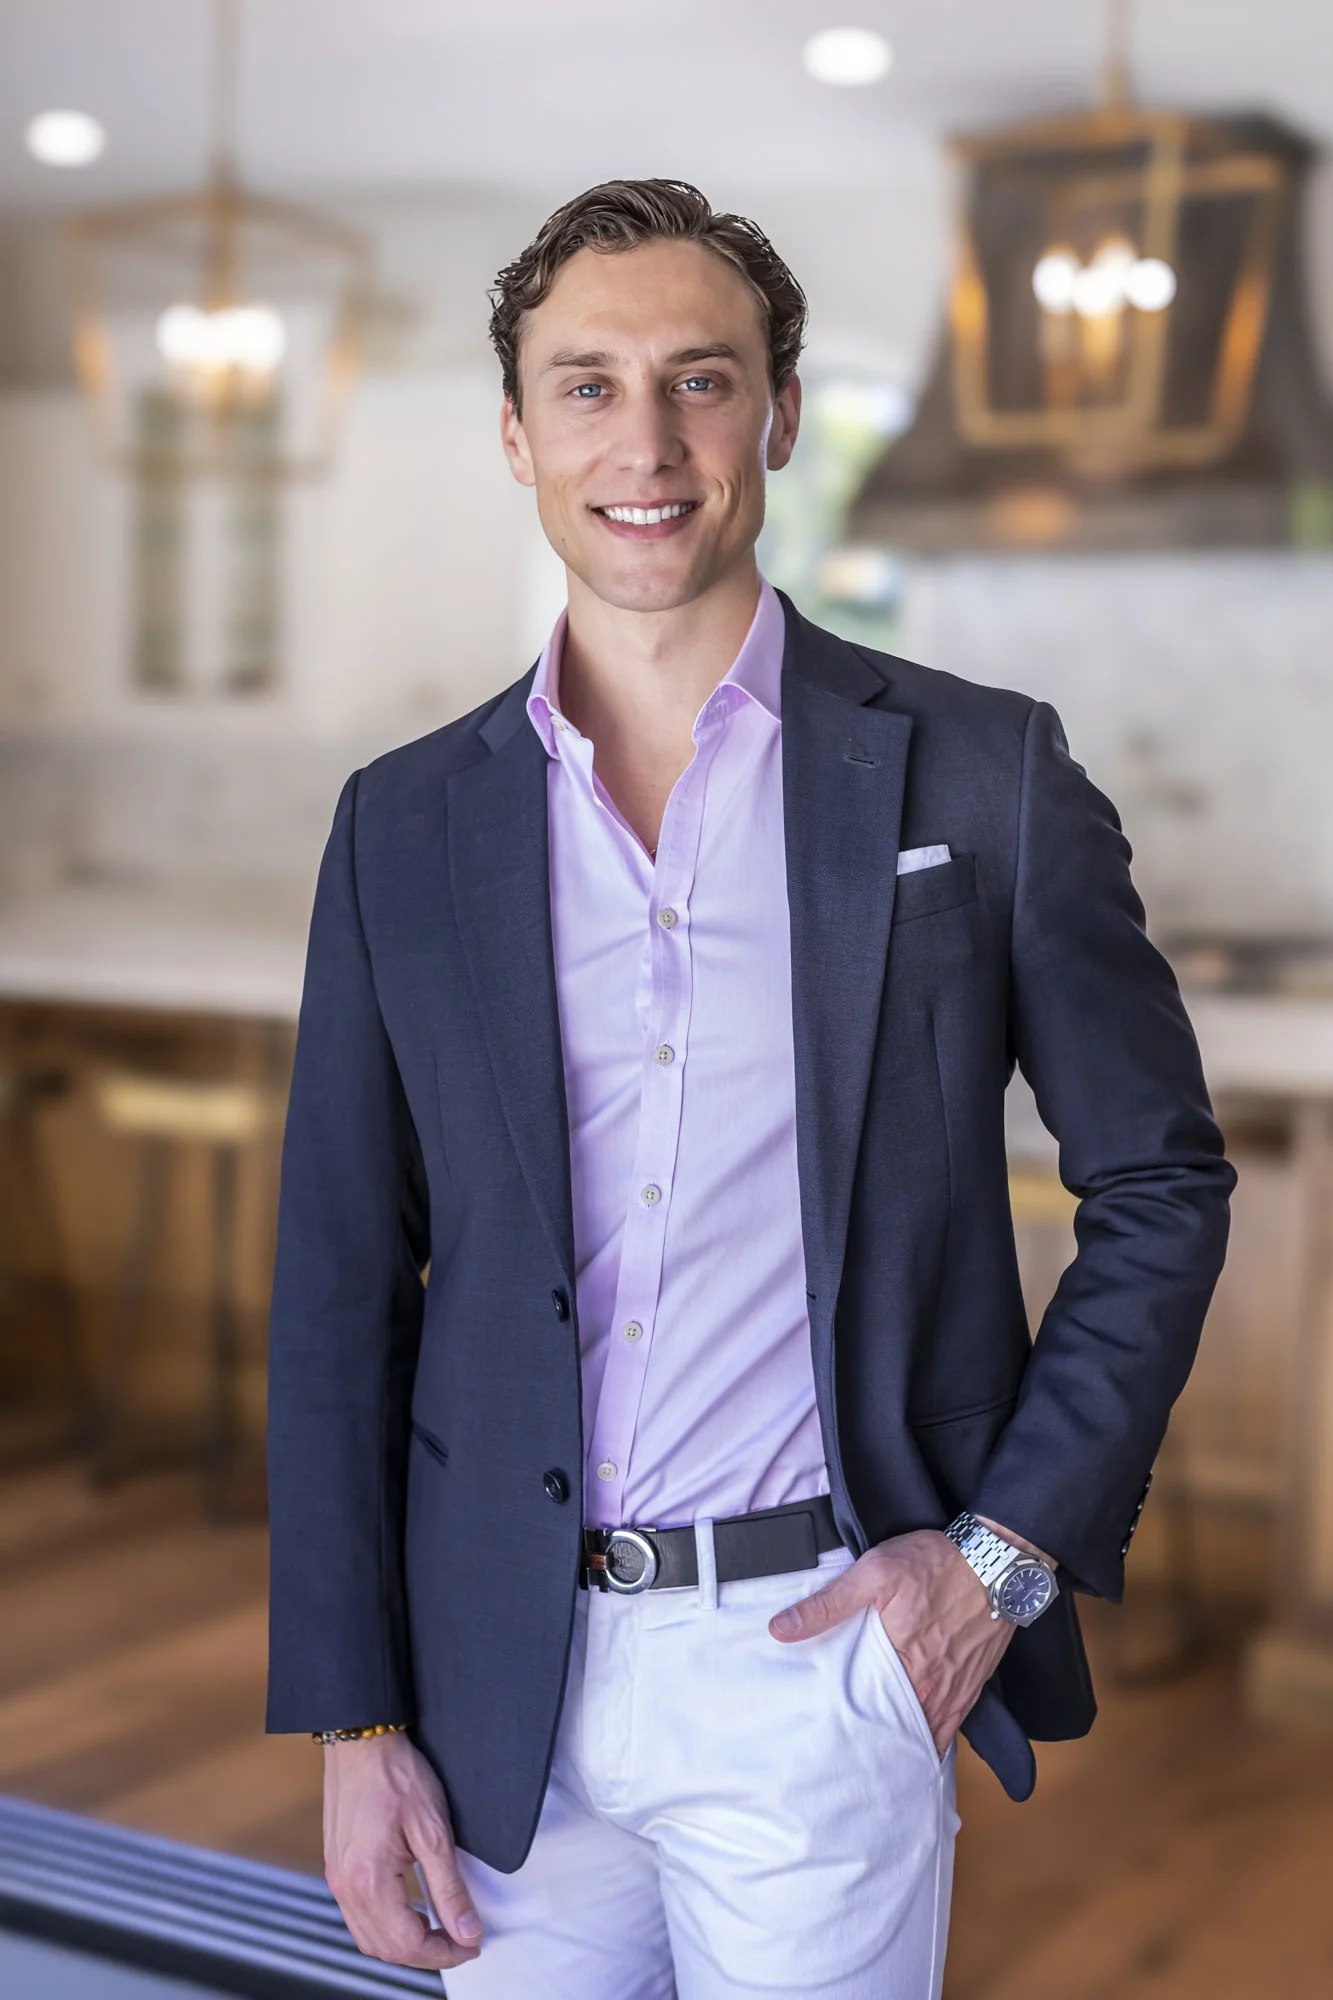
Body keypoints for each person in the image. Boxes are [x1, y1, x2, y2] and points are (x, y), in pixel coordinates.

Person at [265, 179, 1234, 1998]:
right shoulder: (399, 826)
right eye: (586, 385)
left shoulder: (985, 776)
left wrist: (999, 1564)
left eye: (699, 380)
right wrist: (353, 1718)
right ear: (516, 434)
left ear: (779, 415)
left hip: (820, 1663)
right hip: (491, 1691)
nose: (644, 442)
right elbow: (336, 1290)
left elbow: (1162, 1186)